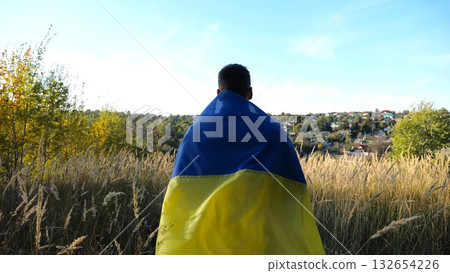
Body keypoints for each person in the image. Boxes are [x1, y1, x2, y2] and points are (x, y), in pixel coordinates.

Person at [156, 64, 324, 254]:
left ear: (218, 92)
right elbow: (291, 198)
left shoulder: (194, 133)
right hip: (259, 245)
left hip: (205, 246)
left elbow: (179, 197)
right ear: (250, 92)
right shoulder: (274, 132)